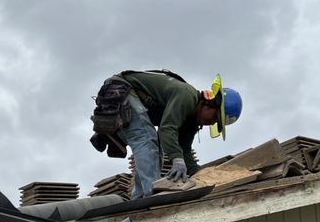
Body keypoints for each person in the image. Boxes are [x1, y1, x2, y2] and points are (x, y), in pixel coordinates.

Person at [90, 70, 242, 199]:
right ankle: (150, 197)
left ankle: (139, 198)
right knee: (147, 140)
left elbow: (184, 151)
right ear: (210, 103)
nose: (212, 123)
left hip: (132, 99)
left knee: (156, 149)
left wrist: (202, 175)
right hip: (123, 90)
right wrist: (177, 159)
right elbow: (166, 129)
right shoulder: (187, 96)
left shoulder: (191, 121)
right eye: (215, 118)